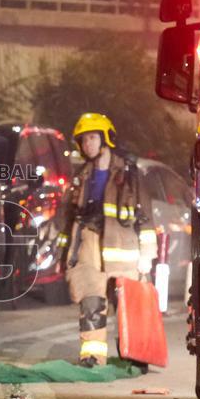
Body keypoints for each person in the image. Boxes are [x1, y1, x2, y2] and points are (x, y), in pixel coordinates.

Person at [56, 113, 157, 367]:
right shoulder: (81, 176)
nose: (88, 144)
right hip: (88, 244)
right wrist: (64, 254)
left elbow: (145, 215)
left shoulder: (128, 172)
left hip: (122, 246)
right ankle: (92, 356)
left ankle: (136, 355)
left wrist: (147, 254)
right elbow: (67, 219)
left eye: (92, 137)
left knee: (127, 304)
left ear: (105, 139)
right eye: (83, 140)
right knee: (91, 301)